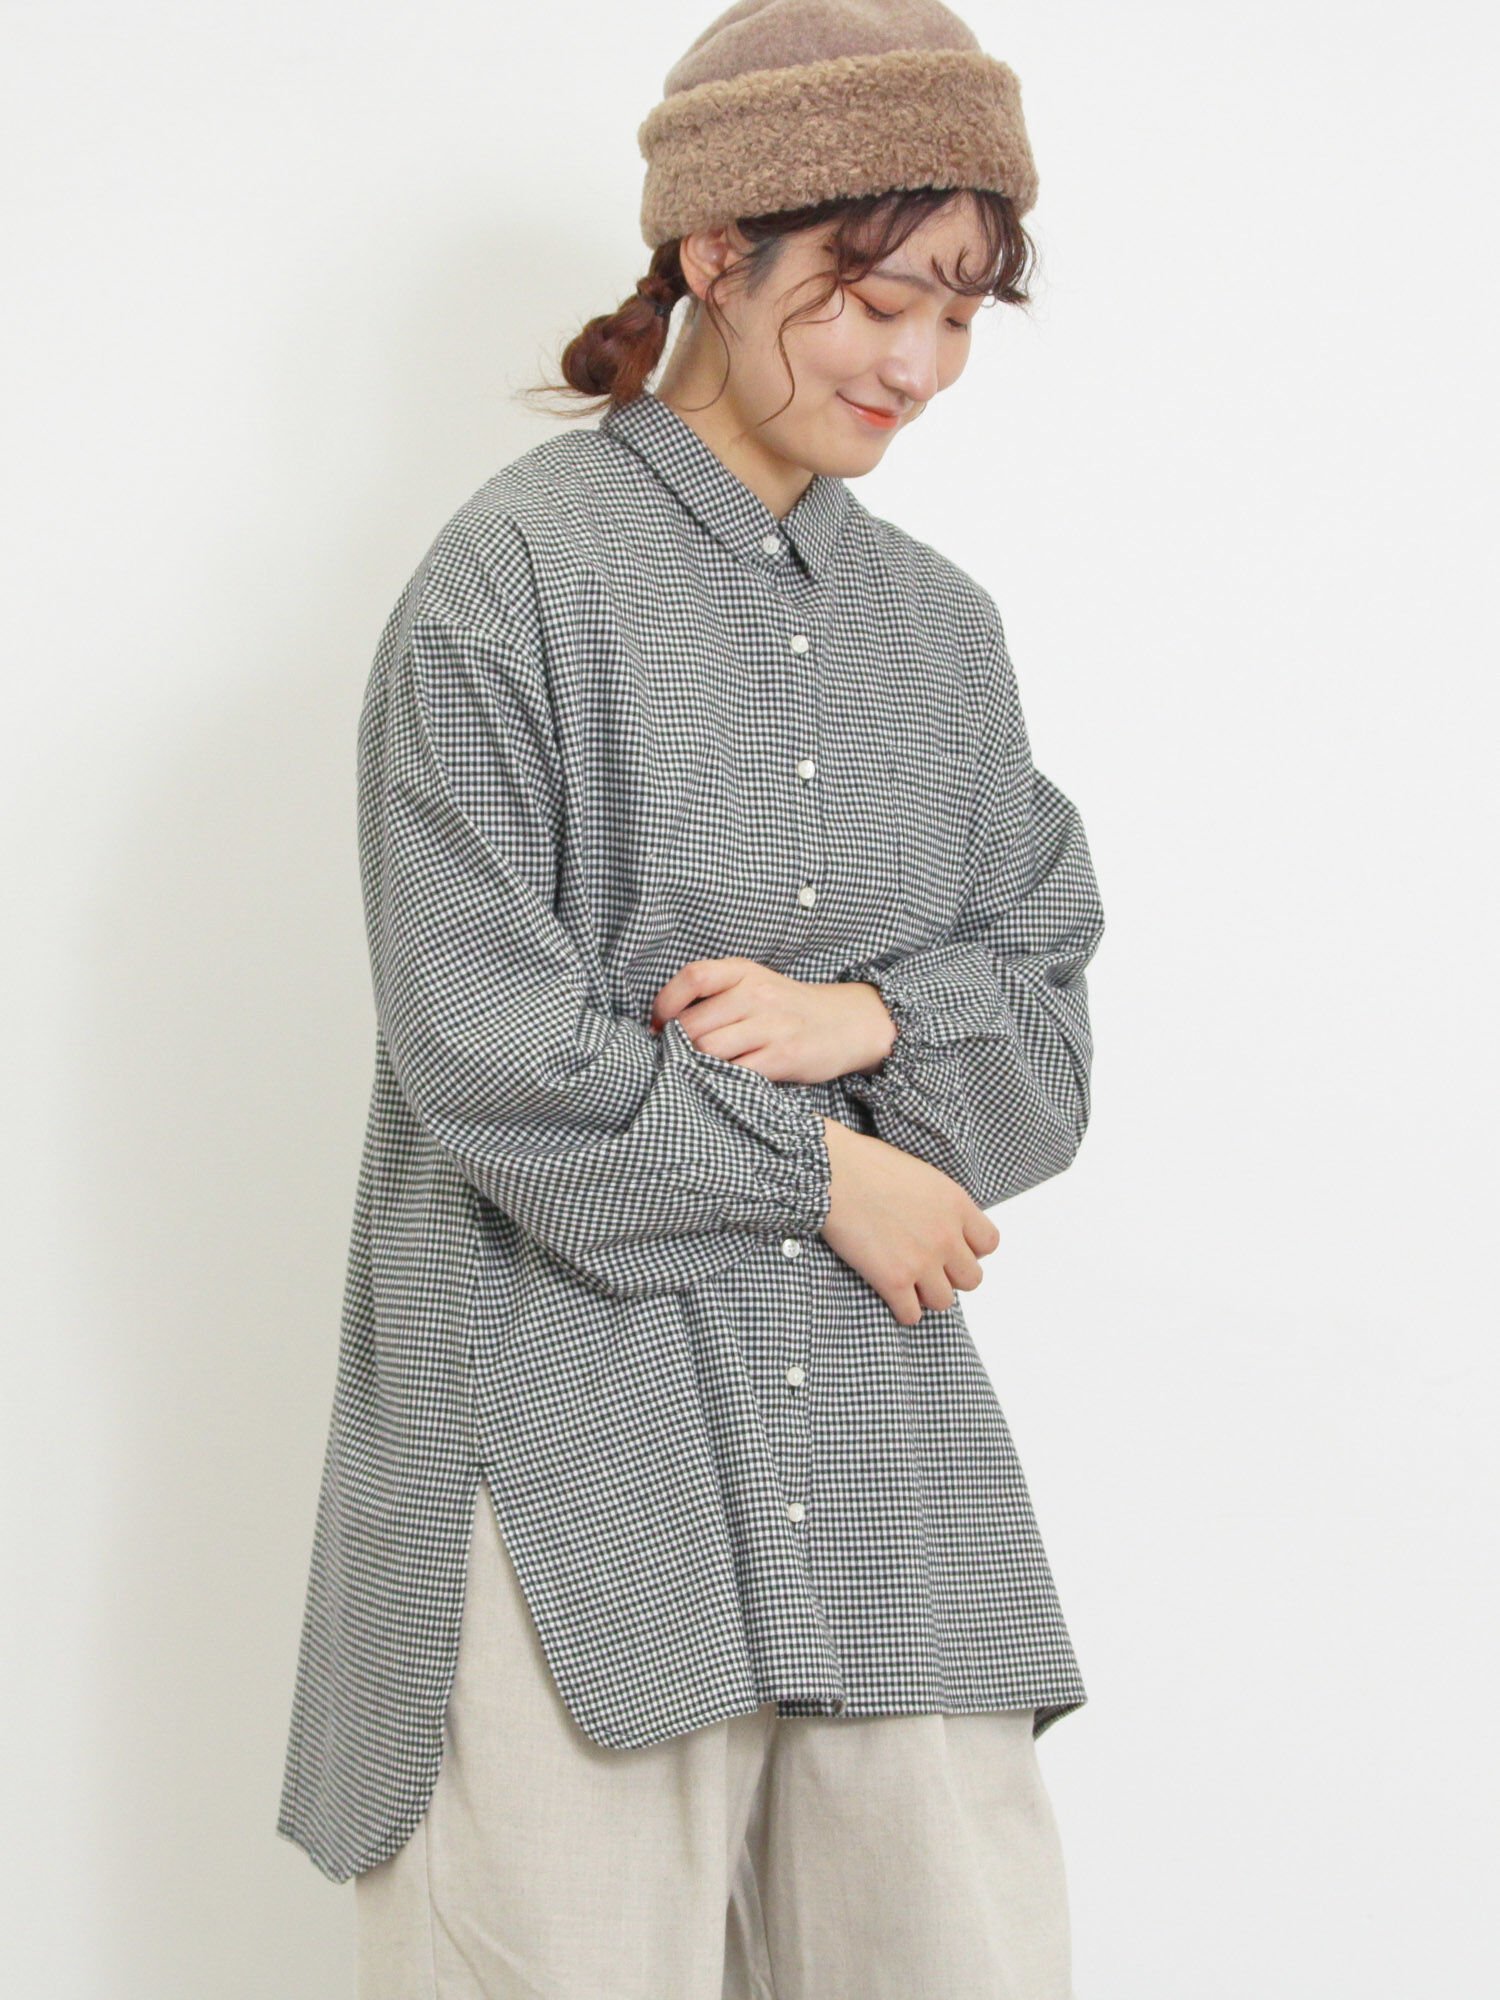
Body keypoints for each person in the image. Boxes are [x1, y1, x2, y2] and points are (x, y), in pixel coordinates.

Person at [275, 3, 1106, 1994]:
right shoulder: (509, 585)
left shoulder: (943, 635)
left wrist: (871, 1018)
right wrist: (831, 1176)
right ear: (717, 254)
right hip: (565, 1450)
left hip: (889, 1473)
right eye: (873, 299)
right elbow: (489, 1050)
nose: (916, 366)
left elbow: (1048, 1036)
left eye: (959, 315)